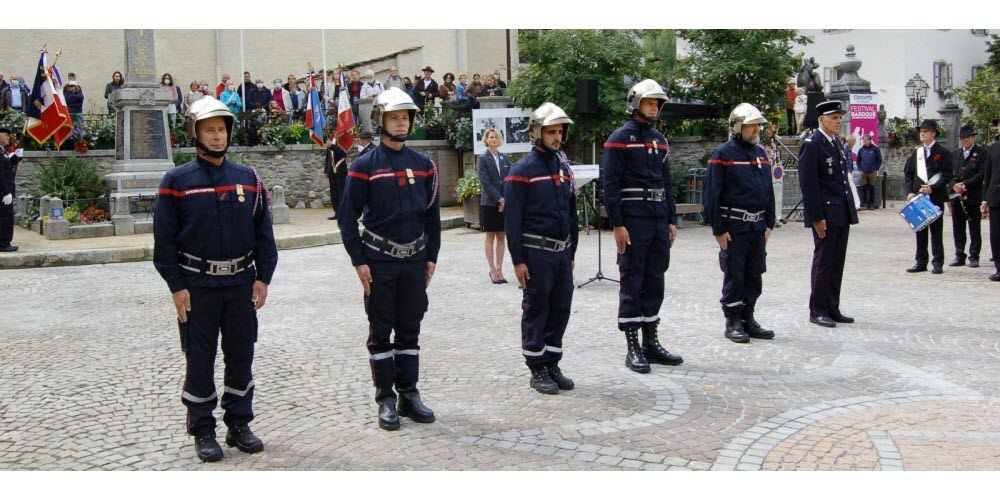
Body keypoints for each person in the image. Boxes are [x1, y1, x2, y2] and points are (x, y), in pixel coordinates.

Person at [152, 97, 278, 462]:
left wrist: (263, 277)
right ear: (195, 132)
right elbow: (164, 242)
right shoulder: (176, 181)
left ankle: (239, 424)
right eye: (210, 129)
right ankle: (203, 429)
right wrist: (176, 286)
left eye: (222, 129)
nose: (218, 136)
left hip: (240, 285)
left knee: (241, 355)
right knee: (201, 359)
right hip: (198, 287)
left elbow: (264, 235)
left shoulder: (248, 180)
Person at [337, 88, 441, 431]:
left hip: (414, 261)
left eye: (405, 117)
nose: (401, 123)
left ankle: (409, 395)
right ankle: (385, 399)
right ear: (380, 120)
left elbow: (432, 216)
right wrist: (358, 261)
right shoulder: (365, 165)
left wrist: (431, 257)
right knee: (381, 330)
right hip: (379, 261)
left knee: (410, 328)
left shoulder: (424, 165)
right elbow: (346, 217)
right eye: (394, 117)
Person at [603, 79, 683, 372]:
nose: (654, 108)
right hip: (633, 219)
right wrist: (618, 224)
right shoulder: (618, 139)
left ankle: (651, 341)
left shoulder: (660, 140)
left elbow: (667, 183)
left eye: (657, 103)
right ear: (636, 103)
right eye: (650, 102)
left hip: (658, 218)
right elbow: (610, 186)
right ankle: (633, 345)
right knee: (632, 279)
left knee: (655, 279)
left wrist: (671, 220)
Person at [503, 103, 578, 395]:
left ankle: (552, 362)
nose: (557, 137)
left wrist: (571, 253)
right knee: (537, 308)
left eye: (560, 131)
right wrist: (518, 261)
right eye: (551, 131)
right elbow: (512, 220)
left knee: (560, 308)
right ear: (538, 132)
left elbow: (571, 213)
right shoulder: (521, 171)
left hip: (561, 253)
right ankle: (536, 366)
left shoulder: (563, 168)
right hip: (536, 253)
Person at [704, 103, 776, 343]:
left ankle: (748, 317)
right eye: (751, 125)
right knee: (734, 274)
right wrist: (719, 228)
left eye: (757, 125)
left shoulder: (760, 154)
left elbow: (768, 190)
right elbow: (712, 194)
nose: (756, 129)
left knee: (754, 273)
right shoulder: (723, 155)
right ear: (738, 127)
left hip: (757, 226)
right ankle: (732, 320)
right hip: (734, 226)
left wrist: (769, 222)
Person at [798, 101, 858, 328]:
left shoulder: (834, 143)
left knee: (836, 261)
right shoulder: (813, 143)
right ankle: (818, 308)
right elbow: (809, 183)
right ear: (821, 119)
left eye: (839, 117)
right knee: (823, 261)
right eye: (833, 117)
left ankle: (833, 306)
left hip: (840, 210)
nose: (838, 121)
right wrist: (815, 216)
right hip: (825, 212)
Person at [903, 119, 953, 275]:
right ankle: (921, 261)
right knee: (920, 230)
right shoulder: (916, 152)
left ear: (934, 133)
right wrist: (910, 191)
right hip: (919, 196)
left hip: (935, 196)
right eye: (921, 131)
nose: (922, 133)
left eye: (926, 131)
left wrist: (933, 188)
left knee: (936, 231)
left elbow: (947, 175)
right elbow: (909, 173)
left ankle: (937, 262)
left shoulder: (943, 152)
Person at [476, 128, 512, 284]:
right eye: (491, 137)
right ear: (486, 140)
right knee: (490, 236)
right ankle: (491, 269)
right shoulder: (483, 159)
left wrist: (506, 199)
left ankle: (499, 268)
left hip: (504, 202)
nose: (494, 139)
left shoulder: (505, 158)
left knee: (502, 236)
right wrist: (499, 199)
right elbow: (486, 182)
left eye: (496, 137)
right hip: (490, 203)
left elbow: (509, 179)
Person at [949, 125, 986, 268]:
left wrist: (965, 185)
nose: (965, 140)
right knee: (958, 227)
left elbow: (982, 173)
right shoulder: (955, 154)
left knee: (974, 227)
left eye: (968, 137)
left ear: (974, 138)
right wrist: (954, 185)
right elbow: (948, 173)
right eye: (963, 138)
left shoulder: (982, 153)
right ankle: (959, 254)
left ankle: (974, 256)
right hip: (957, 196)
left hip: (973, 195)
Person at [982, 118, 1000, 281]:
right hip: (996, 197)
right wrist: (985, 199)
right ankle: (999, 267)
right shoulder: (993, 148)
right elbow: (988, 175)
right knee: (996, 234)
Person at [324, 127, 349, 220]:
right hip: (332, 171)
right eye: (334, 131)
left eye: (336, 131)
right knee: (334, 193)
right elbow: (328, 157)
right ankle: (337, 212)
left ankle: (344, 213)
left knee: (341, 192)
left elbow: (343, 153)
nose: (335, 133)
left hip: (340, 170)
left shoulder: (343, 142)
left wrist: (332, 146)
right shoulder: (331, 141)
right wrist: (326, 170)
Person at [0, 126, 17, 252]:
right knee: (5, 217)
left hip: (5, 190)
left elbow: (6, 168)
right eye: (5, 135)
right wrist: (6, 192)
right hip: (3, 192)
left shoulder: (2, 151)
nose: (8, 138)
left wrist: (15, 158)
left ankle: (5, 241)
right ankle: (4, 243)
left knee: (6, 216)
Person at [856, 133, 883, 210]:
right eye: (863, 140)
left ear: (869, 140)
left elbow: (879, 160)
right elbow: (858, 161)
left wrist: (875, 169)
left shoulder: (875, 149)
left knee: (872, 188)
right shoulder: (861, 150)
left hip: (872, 172)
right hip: (863, 172)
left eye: (865, 140)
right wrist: (860, 169)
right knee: (864, 188)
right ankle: (864, 204)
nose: (863, 141)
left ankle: (871, 204)